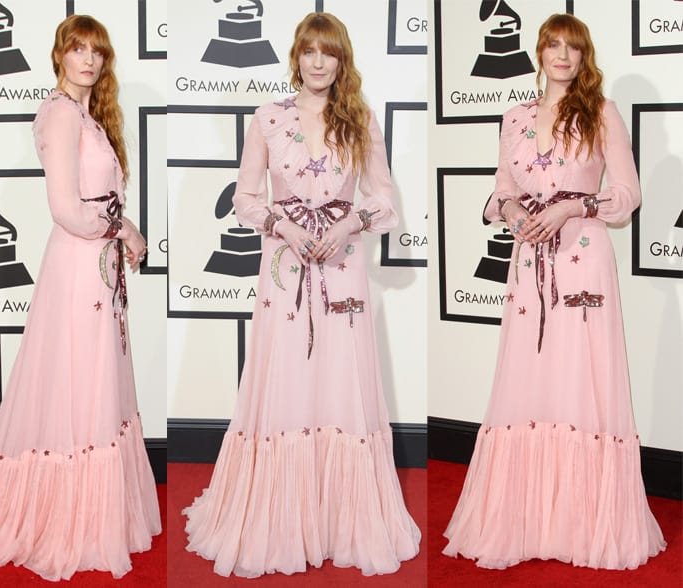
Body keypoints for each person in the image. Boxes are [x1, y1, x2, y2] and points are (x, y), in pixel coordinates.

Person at [183, 11, 420, 578]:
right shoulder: (267, 118)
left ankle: (340, 521)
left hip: (342, 269)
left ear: (342, 60)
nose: (318, 63)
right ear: (297, 56)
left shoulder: (359, 120)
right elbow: (244, 198)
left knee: (338, 385)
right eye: (310, 52)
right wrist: (282, 226)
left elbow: (384, 204)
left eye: (329, 53)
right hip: (284, 270)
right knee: (287, 384)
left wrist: (349, 224)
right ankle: (279, 521)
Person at [442, 13, 666, 570]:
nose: (561, 56)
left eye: (572, 47)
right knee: (531, 378)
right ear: (539, 53)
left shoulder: (601, 112)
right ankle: (525, 520)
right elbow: (501, 188)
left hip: (583, 258)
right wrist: (516, 208)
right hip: (527, 263)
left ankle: (585, 524)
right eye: (552, 46)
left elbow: (628, 194)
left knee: (580, 376)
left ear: (583, 55)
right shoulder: (514, 117)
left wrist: (572, 205)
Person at [0, 15, 161, 581]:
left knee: (96, 384)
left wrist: (122, 225)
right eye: (77, 49)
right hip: (80, 265)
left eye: (98, 52)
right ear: (59, 55)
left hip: (99, 266)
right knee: (77, 383)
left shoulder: (90, 116)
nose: (88, 59)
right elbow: (66, 207)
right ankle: (65, 521)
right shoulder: (60, 114)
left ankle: (93, 515)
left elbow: (100, 200)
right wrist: (124, 230)